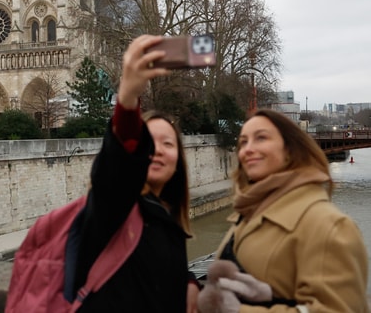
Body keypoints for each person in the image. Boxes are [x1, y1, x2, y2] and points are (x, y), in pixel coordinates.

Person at [69, 34, 198, 312]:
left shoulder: (167, 220)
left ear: (180, 161)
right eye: (149, 141)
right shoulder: (114, 206)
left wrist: (187, 281)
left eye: (168, 143)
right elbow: (118, 164)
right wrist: (128, 97)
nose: (159, 150)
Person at [197, 109, 369, 312]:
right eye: (243, 141)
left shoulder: (328, 226)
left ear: (290, 150)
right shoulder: (249, 212)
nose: (248, 149)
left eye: (261, 138)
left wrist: (239, 310)